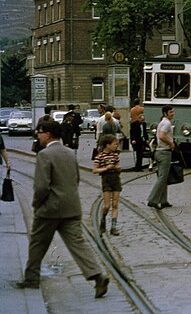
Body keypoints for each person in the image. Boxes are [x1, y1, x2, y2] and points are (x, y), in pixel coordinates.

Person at [15, 120, 110, 298]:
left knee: (38, 242)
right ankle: (97, 275)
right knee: (77, 244)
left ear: (48, 134)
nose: (38, 134)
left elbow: (42, 186)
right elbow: (76, 179)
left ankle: (31, 277)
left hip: (49, 209)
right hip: (71, 207)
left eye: (40, 131)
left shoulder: (45, 155)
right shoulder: (69, 153)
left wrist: (36, 204)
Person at [146, 105, 176, 210]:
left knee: (164, 176)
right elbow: (162, 136)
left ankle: (163, 200)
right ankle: (153, 200)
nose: (173, 113)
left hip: (159, 152)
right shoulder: (167, 123)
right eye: (171, 112)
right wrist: (171, 143)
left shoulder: (162, 122)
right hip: (164, 152)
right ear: (165, 113)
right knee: (162, 177)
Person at [92, 134, 122, 235]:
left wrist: (117, 168)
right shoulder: (100, 156)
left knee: (115, 204)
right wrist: (106, 168)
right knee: (106, 205)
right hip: (106, 179)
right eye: (114, 144)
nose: (116, 146)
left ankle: (113, 227)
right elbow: (95, 170)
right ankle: (103, 219)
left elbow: (118, 165)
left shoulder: (115, 155)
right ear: (107, 145)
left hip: (116, 179)